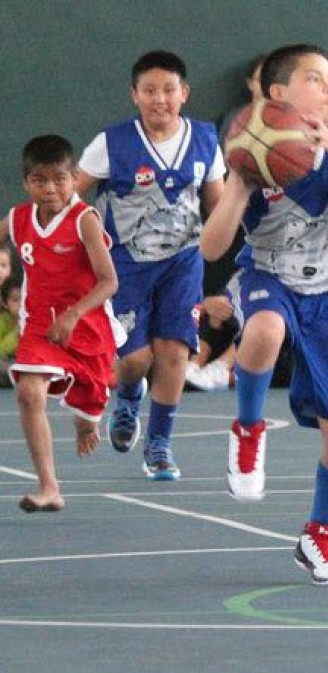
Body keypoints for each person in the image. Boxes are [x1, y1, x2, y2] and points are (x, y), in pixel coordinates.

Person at [200, 43, 328, 585]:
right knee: (265, 328)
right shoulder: (247, 155)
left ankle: (319, 534)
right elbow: (211, 248)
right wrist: (238, 186)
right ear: (276, 93)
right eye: (315, 78)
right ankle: (249, 425)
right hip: (267, 276)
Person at [76, 51, 226, 481]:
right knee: (135, 360)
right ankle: (128, 396)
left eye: (168, 90)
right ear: (135, 95)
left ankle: (159, 444)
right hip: (125, 265)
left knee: (175, 351)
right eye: (149, 91)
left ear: (184, 93)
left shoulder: (204, 139)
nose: (159, 99)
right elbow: (74, 193)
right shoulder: (112, 143)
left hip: (183, 261)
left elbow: (218, 205)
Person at [0, 135, 121, 512]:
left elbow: (109, 281)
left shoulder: (83, 220)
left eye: (59, 179)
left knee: (88, 411)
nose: (50, 188)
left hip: (85, 327)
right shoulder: (18, 219)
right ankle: (49, 487)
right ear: (26, 183)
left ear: (73, 179)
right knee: (28, 392)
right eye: (40, 180)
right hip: (39, 327)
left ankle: (87, 419)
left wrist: (73, 314)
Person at [1, 277, 21, 387]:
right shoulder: (3, 321)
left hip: (26, 363)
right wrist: (17, 330)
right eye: (15, 300)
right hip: (7, 364)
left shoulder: (32, 321)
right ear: (5, 303)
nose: (21, 304)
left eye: (24, 298)